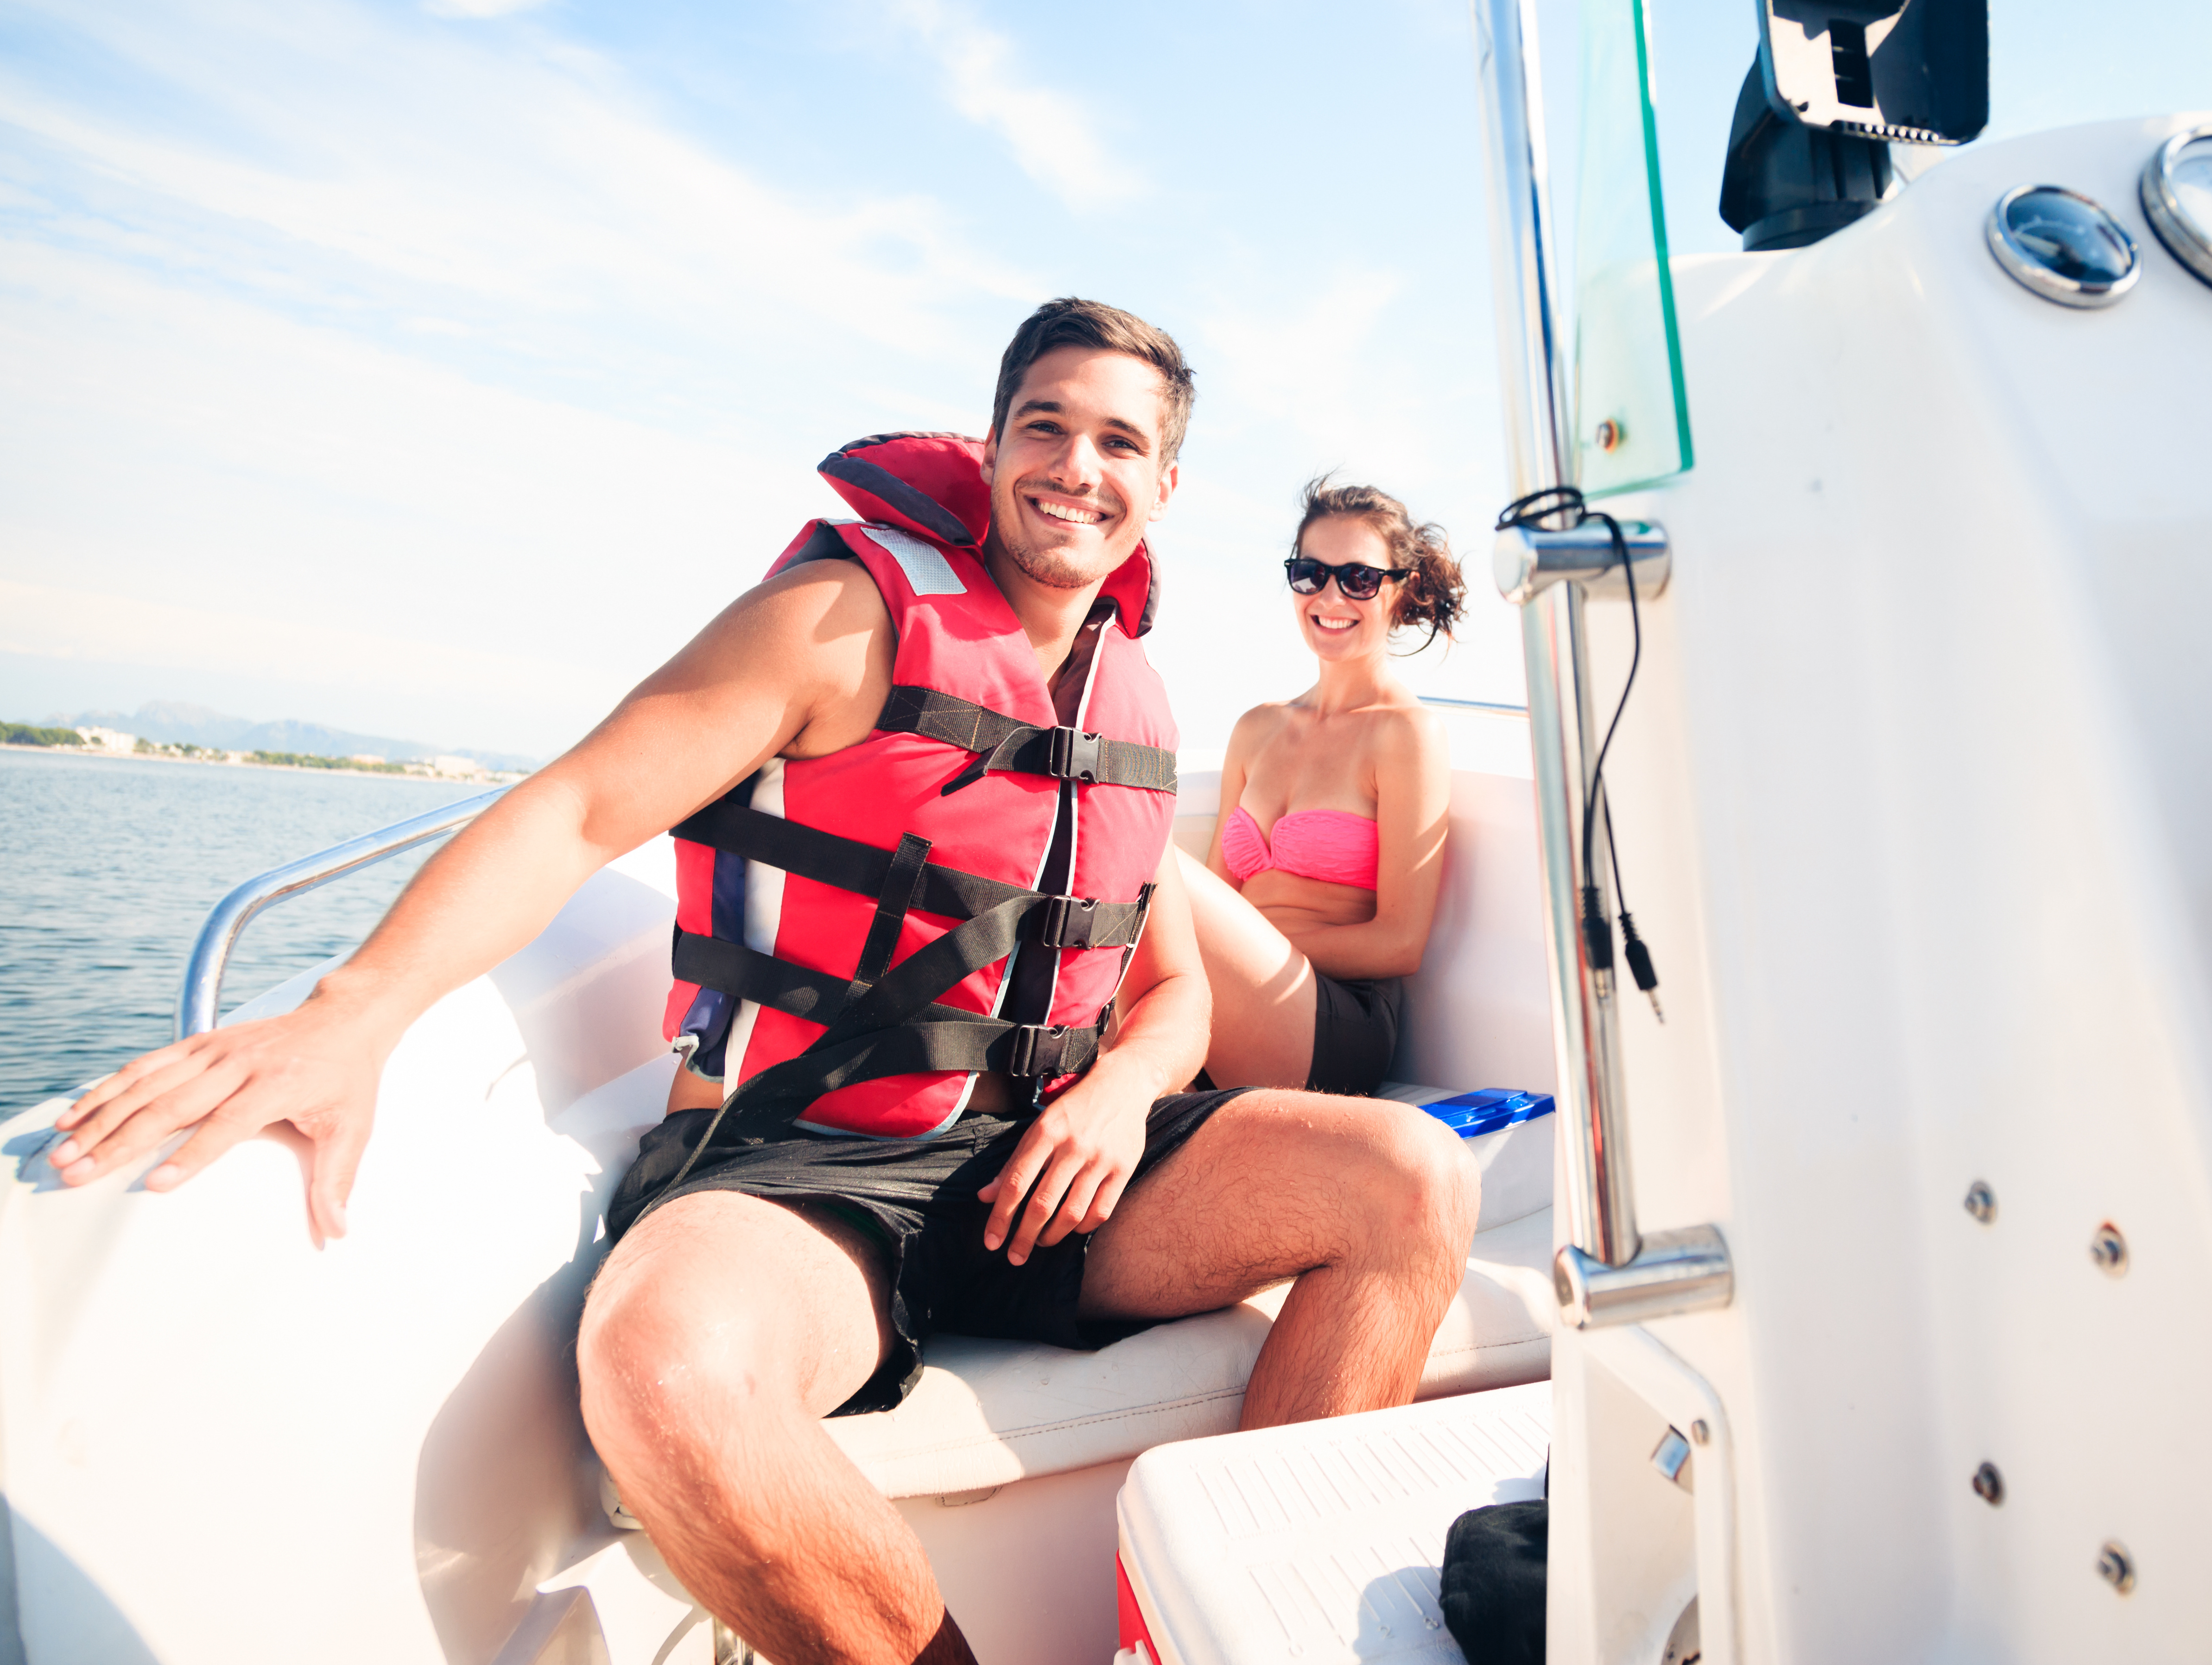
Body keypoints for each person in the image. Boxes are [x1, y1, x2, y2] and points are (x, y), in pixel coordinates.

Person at [45, 298, 1479, 1665]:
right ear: (989, 452)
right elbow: (581, 807)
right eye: (1044, 426)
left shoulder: (1130, 696)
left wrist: (1122, 1089)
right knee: (666, 1373)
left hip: (1040, 1165)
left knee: (1408, 1181)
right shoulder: (836, 619)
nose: (1075, 467)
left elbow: (1168, 987)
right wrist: (351, 1012)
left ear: (1166, 487)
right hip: (810, 1167)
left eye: (1118, 443)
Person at [1176, 479, 1462, 1093]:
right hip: (1238, 990)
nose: (1330, 595)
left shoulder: (1407, 734)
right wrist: (1232, 945)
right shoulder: (1256, 728)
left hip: (1338, 1018)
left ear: (1401, 589)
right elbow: (1219, 890)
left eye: (1358, 578)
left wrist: (1249, 941)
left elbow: (1400, 943)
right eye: (1310, 573)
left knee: (1150, 867)